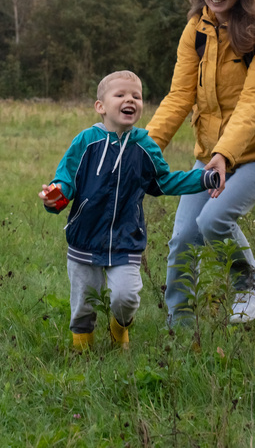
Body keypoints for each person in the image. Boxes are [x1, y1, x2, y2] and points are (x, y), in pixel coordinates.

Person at [146, 0, 255, 326]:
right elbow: (180, 96)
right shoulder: (196, 28)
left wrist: (225, 155)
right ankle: (179, 325)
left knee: (212, 221)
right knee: (183, 238)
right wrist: (142, 149)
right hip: (213, 153)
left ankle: (251, 280)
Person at [40, 70, 221, 351]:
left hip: (127, 238)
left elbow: (164, 181)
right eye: (121, 95)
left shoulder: (145, 145)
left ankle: (119, 327)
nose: (131, 100)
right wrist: (56, 196)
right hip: (85, 237)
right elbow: (66, 180)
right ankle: (82, 350)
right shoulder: (85, 142)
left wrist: (202, 178)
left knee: (127, 297)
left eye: (136, 96)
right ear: (101, 107)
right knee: (84, 303)